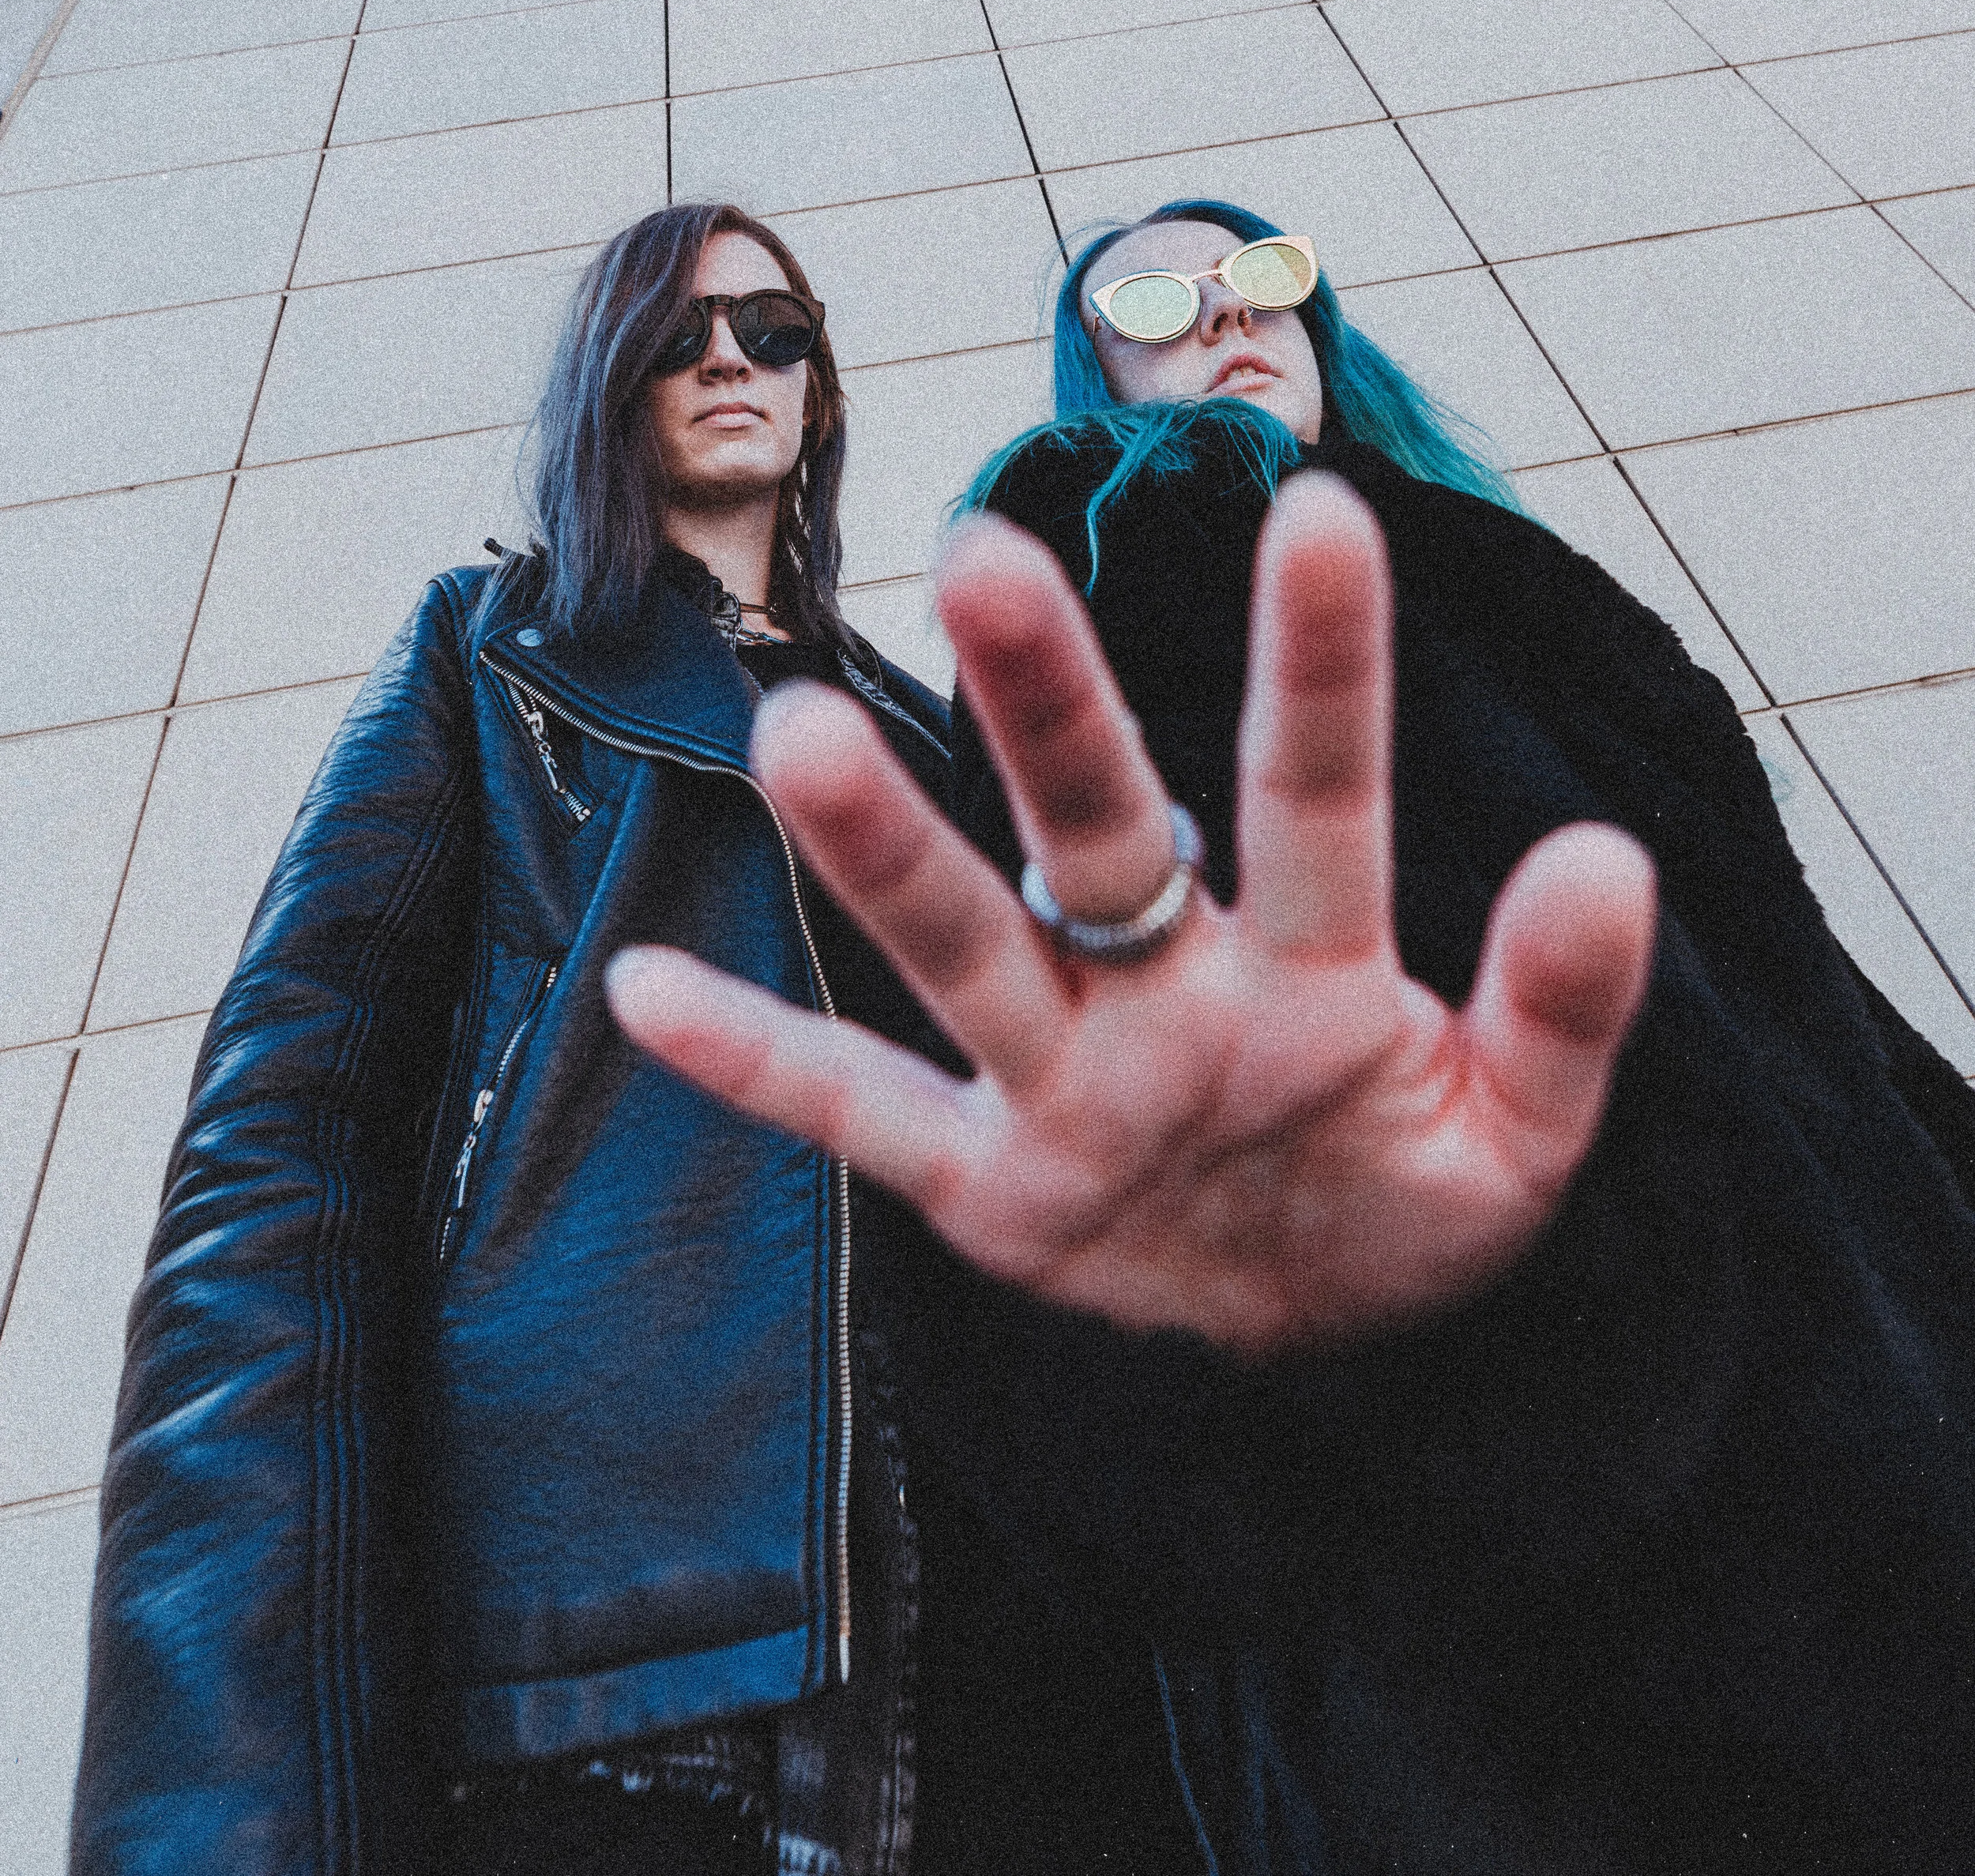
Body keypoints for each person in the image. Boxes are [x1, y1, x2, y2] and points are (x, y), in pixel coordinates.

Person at [610, 198, 1975, 1876]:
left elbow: (1808, 1012)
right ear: (1095, 373)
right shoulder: (1133, 520)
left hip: (1838, 1394)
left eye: (1260, 276)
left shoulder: (1474, 562)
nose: (1220, 314)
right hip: (1590, 1515)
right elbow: (1188, 1006)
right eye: (1149, 301)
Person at [72, 202, 957, 1876]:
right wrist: (214, 1789)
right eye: (677, 331)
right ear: (609, 383)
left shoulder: (929, 737)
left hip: (986, 1629)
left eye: (772, 328)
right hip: (623, 1668)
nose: (729, 356)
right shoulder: (487, 655)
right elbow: (279, 1146)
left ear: (820, 389)